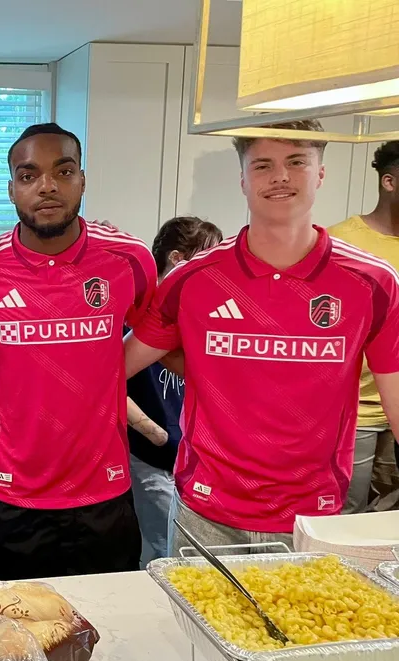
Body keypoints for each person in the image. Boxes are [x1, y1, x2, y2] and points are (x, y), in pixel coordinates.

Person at [125, 121, 399, 555]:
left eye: (296, 162)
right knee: (187, 624)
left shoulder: (372, 282)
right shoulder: (193, 279)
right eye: (263, 165)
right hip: (205, 513)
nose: (281, 177)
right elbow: (116, 366)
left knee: (307, 626)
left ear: (321, 173)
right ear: (243, 179)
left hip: (312, 517)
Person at [0, 123, 158, 581]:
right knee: (17, 638)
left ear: (82, 180)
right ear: (11, 190)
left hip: (104, 494)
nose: (47, 186)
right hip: (13, 494)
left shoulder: (129, 260)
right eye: (29, 176)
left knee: (114, 632)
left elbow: (162, 335)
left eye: (63, 172)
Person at [126, 217, 222, 567]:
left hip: (190, 457)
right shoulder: (139, 313)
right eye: (207, 257)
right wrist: (153, 433)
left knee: (181, 550)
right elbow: (105, 383)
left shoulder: (200, 312)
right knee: (162, 549)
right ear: (178, 259)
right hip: (152, 456)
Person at [329, 140, 399, 513]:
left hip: (396, 411)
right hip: (354, 414)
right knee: (343, 519)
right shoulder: (340, 242)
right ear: (389, 182)